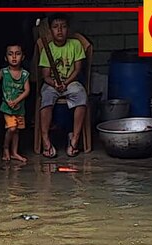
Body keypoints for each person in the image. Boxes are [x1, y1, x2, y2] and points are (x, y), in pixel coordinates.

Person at [38, 13, 87, 158]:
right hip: (52, 84)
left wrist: (65, 83)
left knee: (81, 94)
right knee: (46, 96)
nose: (59, 30)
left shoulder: (75, 45)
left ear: (68, 29)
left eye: (63, 27)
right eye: (55, 27)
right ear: (50, 31)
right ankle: (46, 140)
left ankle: (74, 139)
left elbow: (77, 70)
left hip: (71, 81)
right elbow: (45, 76)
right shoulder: (47, 49)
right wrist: (55, 83)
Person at [0, 43, 31, 163]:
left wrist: (17, 100)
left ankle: (14, 152)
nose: (14, 57)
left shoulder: (24, 74)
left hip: (19, 107)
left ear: (22, 57)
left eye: (17, 54)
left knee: (17, 130)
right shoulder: (4, 72)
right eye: (10, 54)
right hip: (7, 107)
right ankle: (6, 148)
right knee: (11, 128)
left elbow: (27, 90)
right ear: (5, 57)